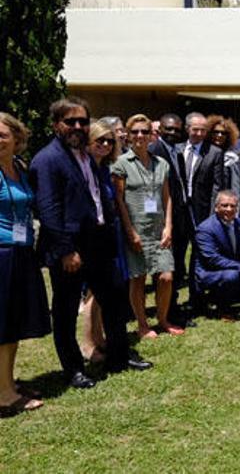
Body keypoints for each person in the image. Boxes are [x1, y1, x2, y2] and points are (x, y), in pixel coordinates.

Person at [31, 97, 152, 389]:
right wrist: (66, 250)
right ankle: (73, 369)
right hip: (70, 248)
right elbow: (48, 209)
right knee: (66, 309)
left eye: (82, 121)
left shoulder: (87, 156)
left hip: (99, 243)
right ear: (56, 124)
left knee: (113, 301)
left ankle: (119, 357)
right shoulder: (47, 160)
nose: (77, 126)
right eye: (69, 121)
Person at [111, 114, 180, 338]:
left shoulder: (162, 164)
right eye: (135, 132)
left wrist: (168, 226)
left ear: (152, 135)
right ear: (128, 136)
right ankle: (142, 324)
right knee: (138, 278)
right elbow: (119, 199)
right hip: (137, 229)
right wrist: (130, 231)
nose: (140, 136)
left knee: (166, 276)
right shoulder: (121, 164)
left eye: (144, 131)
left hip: (159, 229)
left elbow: (167, 197)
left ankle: (163, 319)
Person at [0, 112, 51, 416]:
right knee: (2, 327)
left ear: (17, 139)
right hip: (2, 253)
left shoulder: (19, 166)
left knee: (13, 323)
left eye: (3, 135)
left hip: (21, 251)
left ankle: (8, 382)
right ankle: (4, 397)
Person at [79, 120, 125, 362]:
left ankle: (99, 337)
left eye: (110, 141)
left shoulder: (103, 169)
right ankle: (88, 344)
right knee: (92, 295)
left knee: (103, 295)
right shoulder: (83, 167)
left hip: (107, 235)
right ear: (89, 141)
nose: (105, 145)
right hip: (89, 239)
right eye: (100, 140)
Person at [194, 190, 240, 321]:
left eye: (233, 206)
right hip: (211, 272)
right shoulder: (205, 229)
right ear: (216, 207)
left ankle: (228, 295)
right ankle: (223, 307)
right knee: (232, 276)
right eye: (225, 205)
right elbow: (212, 259)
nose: (229, 209)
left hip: (236, 270)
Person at [148, 113, 191, 326]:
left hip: (181, 217)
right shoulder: (154, 151)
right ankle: (167, 312)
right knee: (166, 269)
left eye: (176, 129)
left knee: (178, 267)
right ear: (160, 130)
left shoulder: (177, 152)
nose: (173, 133)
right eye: (169, 129)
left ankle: (173, 307)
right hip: (165, 220)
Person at [182, 112, 224, 227]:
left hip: (202, 208)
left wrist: (213, 213)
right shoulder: (177, 150)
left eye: (203, 130)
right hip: (179, 207)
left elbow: (217, 186)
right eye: (195, 129)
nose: (199, 133)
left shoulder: (214, 153)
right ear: (187, 129)